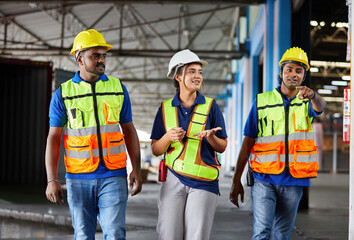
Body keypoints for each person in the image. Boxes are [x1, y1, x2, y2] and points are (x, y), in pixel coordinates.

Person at [45, 29, 142, 239]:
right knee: (83, 235)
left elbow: (129, 131)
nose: (101, 60)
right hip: (78, 178)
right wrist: (51, 179)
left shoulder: (118, 89)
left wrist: (136, 168)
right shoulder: (63, 94)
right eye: (95, 55)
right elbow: (53, 138)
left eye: (103, 55)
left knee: (115, 234)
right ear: (79, 58)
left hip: (113, 176)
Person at [229, 47, 326, 240]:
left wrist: (313, 95)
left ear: (303, 76)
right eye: (289, 69)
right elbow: (247, 141)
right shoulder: (261, 101)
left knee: (282, 235)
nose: (293, 74)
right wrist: (236, 180)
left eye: (299, 71)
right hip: (264, 178)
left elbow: (321, 107)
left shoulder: (307, 102)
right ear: (280, 73)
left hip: (294, 180)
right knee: (262, 232)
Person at [150, 49, 228, 240]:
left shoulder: (211, 106)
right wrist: (168, 137)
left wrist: (210, 137)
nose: (197, 76)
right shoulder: (165, 108)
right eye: (192, 71)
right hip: (173, 178)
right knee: (168, 234)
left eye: (200, 72)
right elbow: (155, 149)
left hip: (204, 182)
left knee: (197, 236)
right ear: (178, 76)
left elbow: (222, 146)